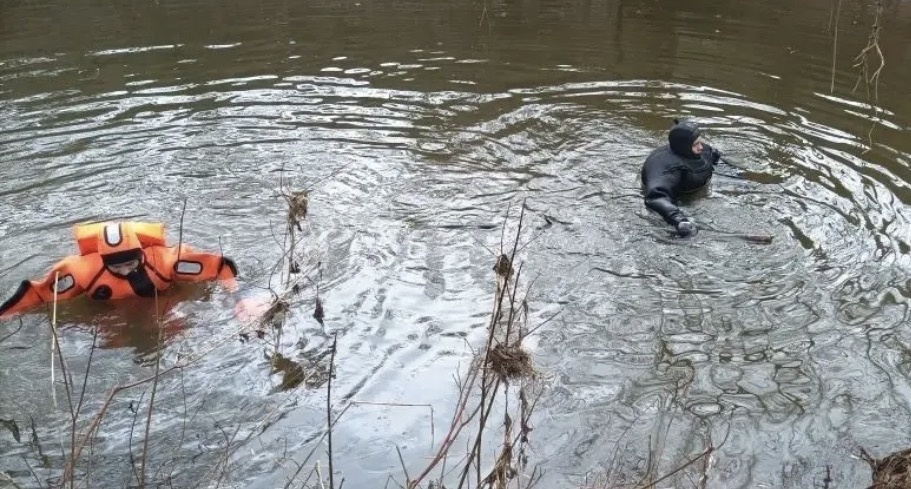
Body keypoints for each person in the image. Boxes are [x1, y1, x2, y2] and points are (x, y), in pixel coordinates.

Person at [0, 221, 262, 320]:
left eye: (131, 263)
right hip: (109, 314)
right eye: (117, 265)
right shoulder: (80, 272)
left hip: (164, 305)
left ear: (142, 255)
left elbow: (219, 269)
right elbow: (40, 294)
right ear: (103, 261)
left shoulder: (167, 261)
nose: (125, 270)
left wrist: (241, 299)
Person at [641, 118, 723, 237]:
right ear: (684, 145)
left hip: (699, 190)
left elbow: (716, 159)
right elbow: (655, 197)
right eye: (696, 144)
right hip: (680, 200)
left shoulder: (703, 150)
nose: (701, 147)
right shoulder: (664, 167)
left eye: (700, 141)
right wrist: (679, 220)